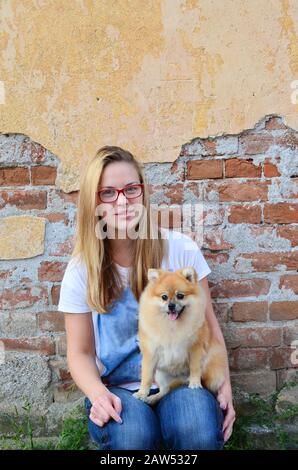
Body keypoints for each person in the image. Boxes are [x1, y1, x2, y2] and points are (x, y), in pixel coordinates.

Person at [58, 145, 236, 450]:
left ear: (143, 192)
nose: (123, 201)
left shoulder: (180, 250)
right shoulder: (81, 272)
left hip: (180, 381)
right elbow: (80, 353)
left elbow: (209, 328)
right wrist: (99, 396)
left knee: (197, 431)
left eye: (131, 189)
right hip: (119, 389)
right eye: (108, 193)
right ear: (93, 202)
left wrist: (224, 384)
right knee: (133, 439)